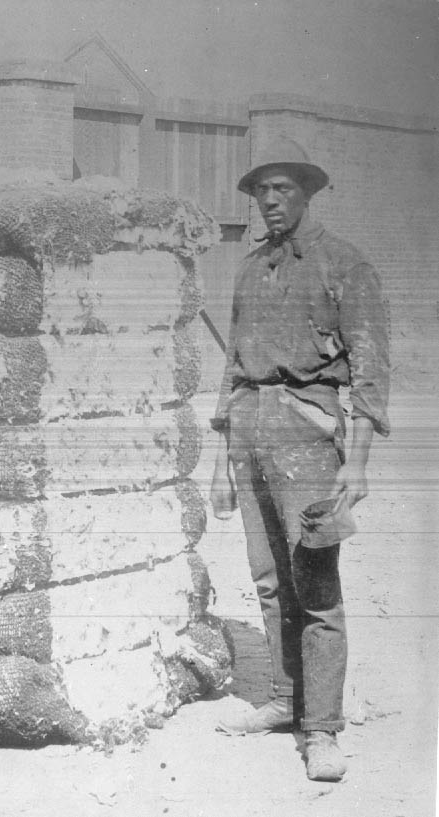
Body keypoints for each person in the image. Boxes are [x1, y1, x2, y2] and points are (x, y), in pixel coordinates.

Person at [210, 136, 390, 782]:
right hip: (250, 432)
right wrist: (219, 466)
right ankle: (286, 699)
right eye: (261, 190)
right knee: (267, 579)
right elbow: (232, 366)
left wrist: (357, 461)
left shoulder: (344, 264)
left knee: (314, 585)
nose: (268, 200)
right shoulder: (251, 268)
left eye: (280, 188)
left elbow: (369, 369)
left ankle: (321, 728)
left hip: (308, 432)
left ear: (306, 191)